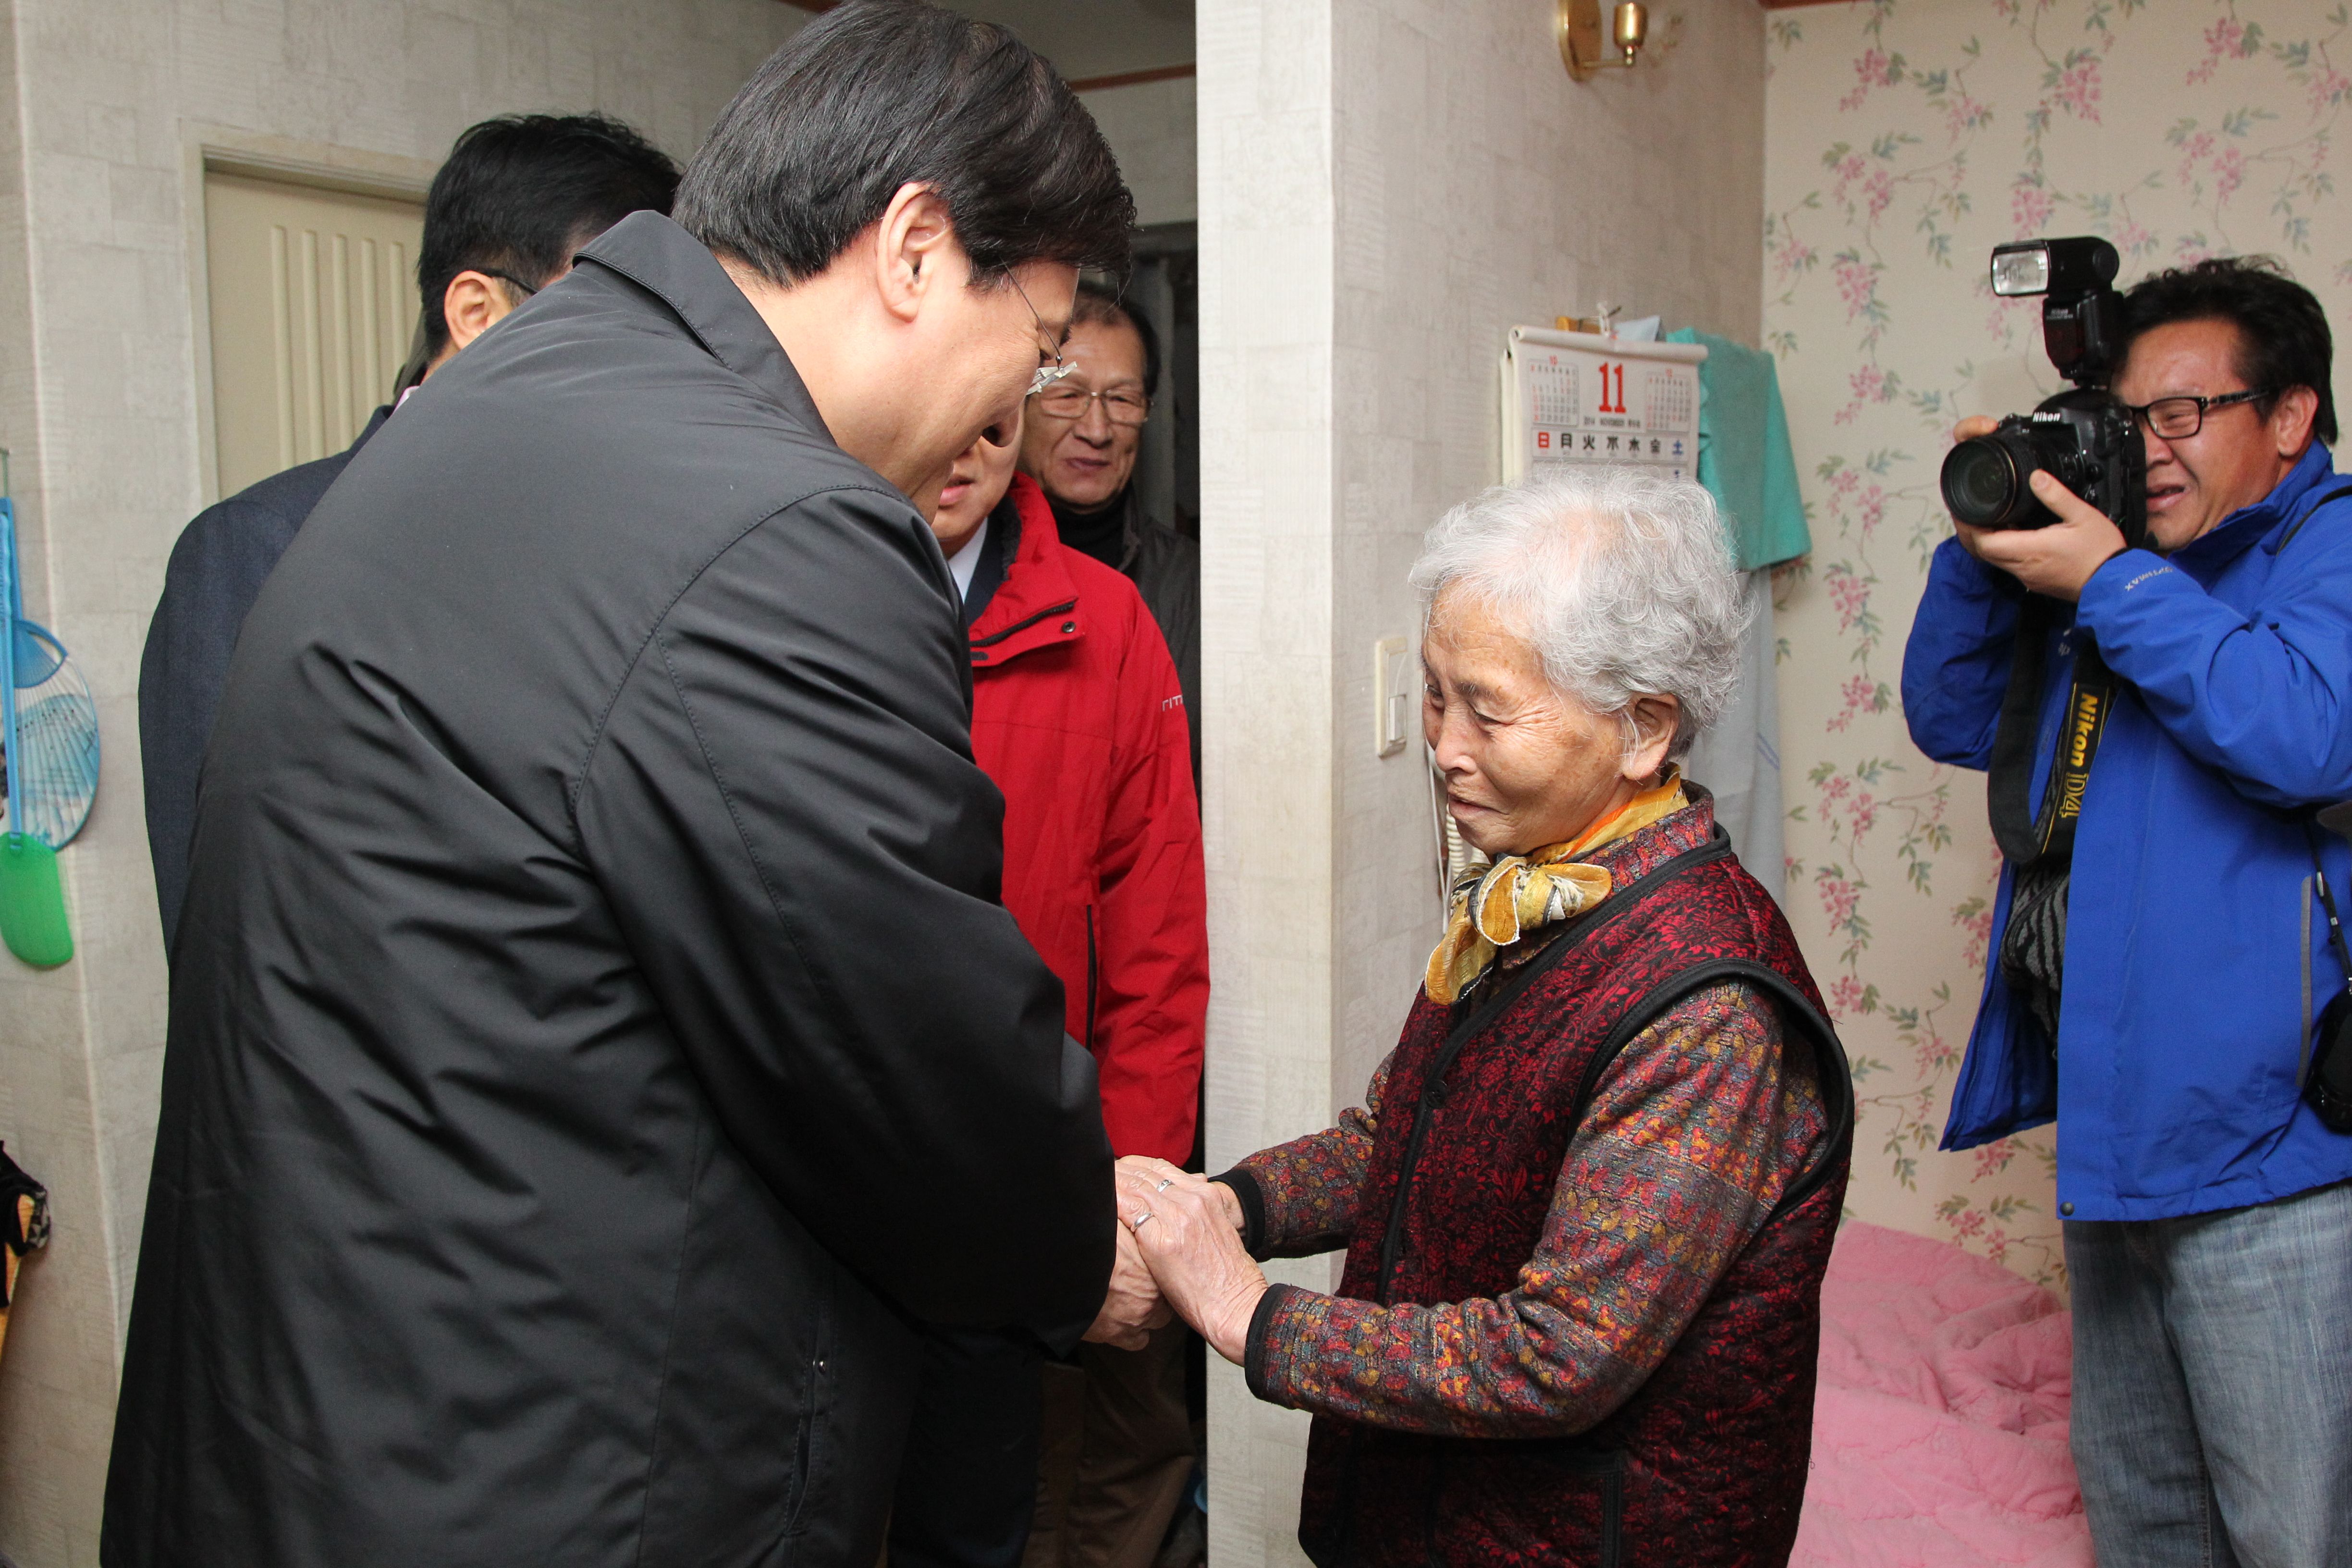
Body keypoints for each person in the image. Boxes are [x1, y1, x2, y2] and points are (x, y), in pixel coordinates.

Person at [102, 5, 1152, 1564]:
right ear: (918, 250)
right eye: (1041, 335)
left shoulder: (505, 407)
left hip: (327, 1433)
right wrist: (1090, 1239)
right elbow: (914, 1058)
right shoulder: (778, 526)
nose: (1027, 392)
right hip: (551, 1469)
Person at [1118, 469, 1854, 1567]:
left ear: (1644, 729)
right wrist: (1222, 1208)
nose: (1444, 745)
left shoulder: (1706, 1005)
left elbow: (1558, 1354)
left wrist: (1245, 1313)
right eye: (1432, 694)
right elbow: (1399, 1137)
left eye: (1487, 709)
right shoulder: (1538, 887)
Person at [1904, 257, 2352, 1567]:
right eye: (2126, 416)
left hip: (2288, 1164)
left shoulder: (2324, 547)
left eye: (2181, 414)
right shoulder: (2116, 570)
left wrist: (2110, 582)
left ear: (2289, 418)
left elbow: (2307, 730)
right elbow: (1950, 719)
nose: (2147, 449)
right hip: (2117, 1151)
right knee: (2149, 1531)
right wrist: (1992, 552)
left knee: (2295, 1538)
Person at [138, 112, 680, 947]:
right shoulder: (253, 551)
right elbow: (220, 930)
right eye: (624, 323)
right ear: (478, 309)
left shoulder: (648, 546)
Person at [889, 416, 1206, 1568]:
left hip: (1010, 1185)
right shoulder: (791, 596)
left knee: (978, 1518)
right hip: (823, 1183)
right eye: (946, 412)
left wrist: (1121, 1199)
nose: (961, 449)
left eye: (994, 422)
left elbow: (1155, 946)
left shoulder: (1106, 621)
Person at [1020, 281, 1199, 776]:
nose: (1096, 430)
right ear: (1016, 402)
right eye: (1066, 394)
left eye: (1122, 400)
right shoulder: (957, 562)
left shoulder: (1191, 586)